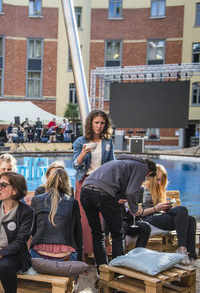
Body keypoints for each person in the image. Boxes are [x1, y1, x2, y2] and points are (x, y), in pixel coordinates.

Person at [80, 155, 157, 269]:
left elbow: (114, 184)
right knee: (118, 233)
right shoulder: (142, 167)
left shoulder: (122, 162)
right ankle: (117, 271)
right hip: (102, 194)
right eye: (148, 178)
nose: (145, 180)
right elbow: (131, 192)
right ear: (150, 172)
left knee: (97, 233)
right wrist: (134, 210)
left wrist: (118, 198)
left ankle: (102, 270)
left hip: (85, 191)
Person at [72, 110, 115, 260]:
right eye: (96, 122)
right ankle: (82, 255)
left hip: (102, 182)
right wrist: (83, 154)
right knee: (83, 219)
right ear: (90, 123)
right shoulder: (80, 141)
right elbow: (76, 165)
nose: (99, 126)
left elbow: (111, 164)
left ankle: (100, 254)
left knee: (102, 217)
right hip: (84, 181)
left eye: (102, 123)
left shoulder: (108, 142)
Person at [139, 164, 197, 265]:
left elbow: (161, 210)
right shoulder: (142, 189)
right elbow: (139, 213)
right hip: (149, 218)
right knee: (187, 217)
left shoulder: (159, 190)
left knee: (190, 218)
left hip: (161, 215)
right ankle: (183, 250)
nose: (160, 182)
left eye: (162, 180)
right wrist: (155, 208)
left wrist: (166, 207)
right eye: (157, 179)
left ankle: (191, 256)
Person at [30, 168, 83, 263]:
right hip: (65, 256)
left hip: (39, 254)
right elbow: (78, 233)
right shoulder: (72, 202)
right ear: (67, 183)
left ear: (49, 181)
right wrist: (79, 260)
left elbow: (32, 230)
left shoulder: (36, 200)